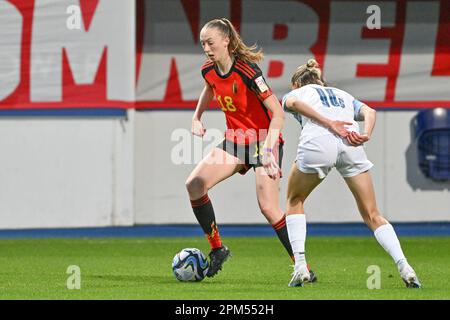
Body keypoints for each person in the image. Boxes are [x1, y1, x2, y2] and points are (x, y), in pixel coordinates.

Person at [282, 58, 421, 288]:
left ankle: (300, 267)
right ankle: (405, 266)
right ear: (321, 81)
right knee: (372, 214)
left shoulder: (297, 93)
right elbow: (370, 111)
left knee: (294, 200)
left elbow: (294, 104)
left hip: (319, 140)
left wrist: (328, 123)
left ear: (296, 84)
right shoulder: (342, 94)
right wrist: (366, 133)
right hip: (351, 142)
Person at [185, 18, 302, 278]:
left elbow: (278, 113)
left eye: (210, 42)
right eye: (203, 43)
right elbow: (210, 89)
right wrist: (196, 117)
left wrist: (270, 151)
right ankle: (217, 249)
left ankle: (301, 264)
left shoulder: (248, 71)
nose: (206, 48)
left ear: (226, 40)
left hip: (263, 141)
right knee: (194, 184)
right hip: (235, 141)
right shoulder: (209, 70)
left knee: (269, 208)